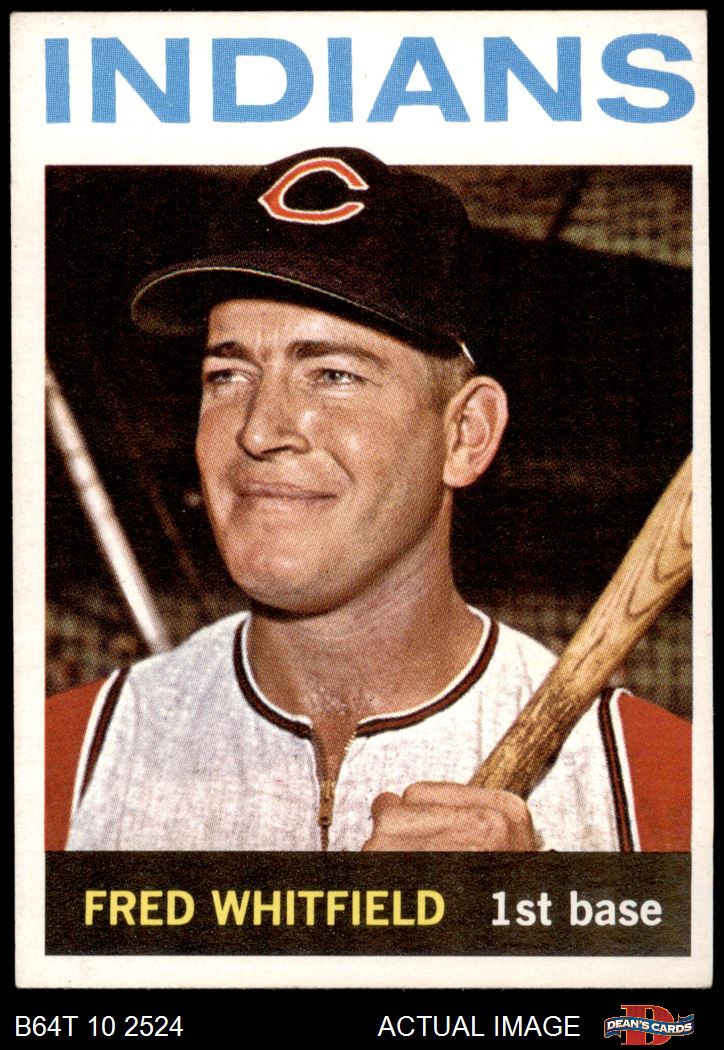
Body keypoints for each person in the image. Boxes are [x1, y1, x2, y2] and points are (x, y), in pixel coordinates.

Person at [46, 148, 690, 852]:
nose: (258, 430)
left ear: (466, 434)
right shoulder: (65, 762)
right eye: (227, 375)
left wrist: (536, 913)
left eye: (334, 374)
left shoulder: (654, 784)